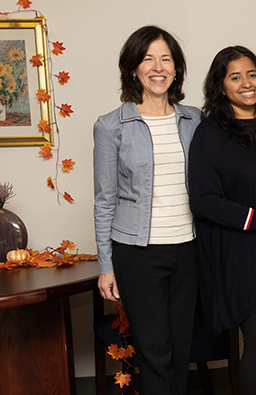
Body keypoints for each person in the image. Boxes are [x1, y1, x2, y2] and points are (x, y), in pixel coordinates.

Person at [93, 26, 200, 395]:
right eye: (148, 59)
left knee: (181, 350)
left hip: (188, 249)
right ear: (133, 69)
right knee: (154, 353)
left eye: (166, 59)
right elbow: (105, 199)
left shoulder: (195, 119)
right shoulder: (111, 126)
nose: (158, 67)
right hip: (137, 254)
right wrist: (106, 265)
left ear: (176, 68)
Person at [188, 46, 256, 395]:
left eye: (252, 74)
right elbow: (203, 201)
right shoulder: (210, 133)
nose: (247, 83)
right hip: (237, 252)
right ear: (220, 86)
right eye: (235, 77)